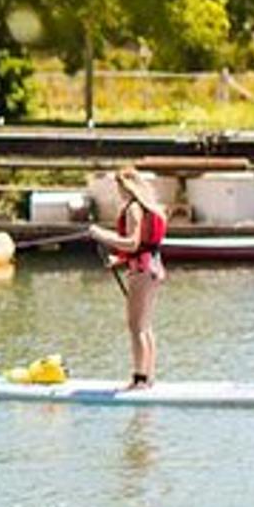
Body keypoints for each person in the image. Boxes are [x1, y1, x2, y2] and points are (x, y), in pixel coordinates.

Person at [85, 166, 167, 388]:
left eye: (118, 187)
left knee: (136, 326)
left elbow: (133, 243)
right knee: (145, 325)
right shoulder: (150, 209)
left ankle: (139, 380)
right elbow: (143, 246)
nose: (118, 192)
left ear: (126, 186)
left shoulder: (133, 209)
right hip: (154, 267)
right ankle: (147, 377)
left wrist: (101, 234)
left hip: (142, 270)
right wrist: (119, 260)